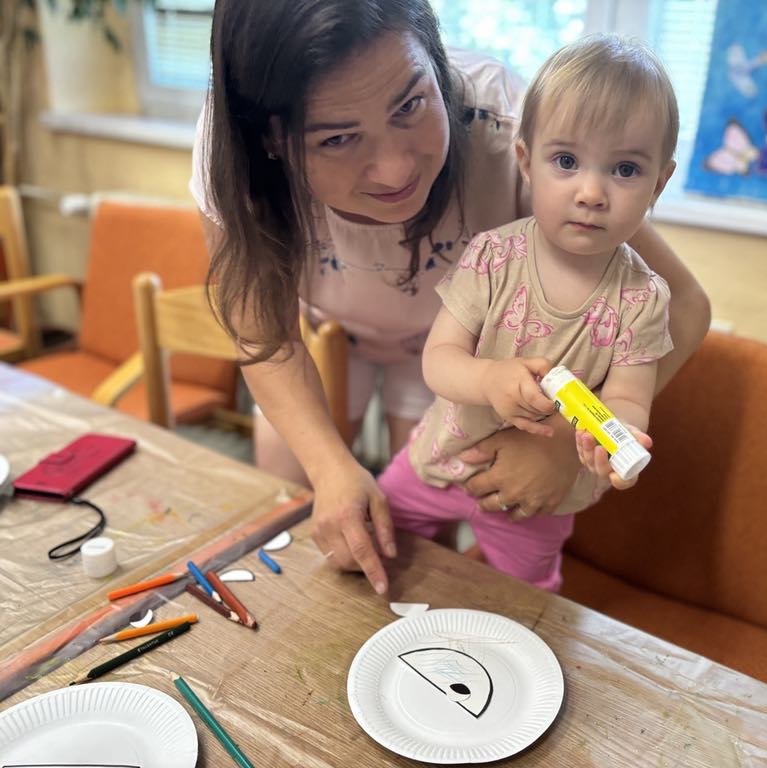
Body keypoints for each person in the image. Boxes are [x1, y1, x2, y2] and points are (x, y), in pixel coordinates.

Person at [192, 0, 711, 595]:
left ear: (437, 63)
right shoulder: (232, 158)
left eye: (410, 105)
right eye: (337, 138)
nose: (395, 171)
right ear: (270, 140)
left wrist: (570, 448)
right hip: (333, 341)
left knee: (418, 558)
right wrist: (331, 469)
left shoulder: (514, 129)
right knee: (296, 503)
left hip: (456, 355)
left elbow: (687, 305)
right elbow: (264, 337)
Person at [375, 34, 678, 591]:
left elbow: (628, 399)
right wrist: (489, 379)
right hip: (440, 458)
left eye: (625, 169)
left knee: (529, 605)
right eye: (566, 161)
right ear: (526, 162)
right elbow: (439, 360)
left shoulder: (643, 298)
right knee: (378, 547)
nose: (591, 192)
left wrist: (613, 439)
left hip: (536, 498)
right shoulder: (492, 255)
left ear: (659, 183)